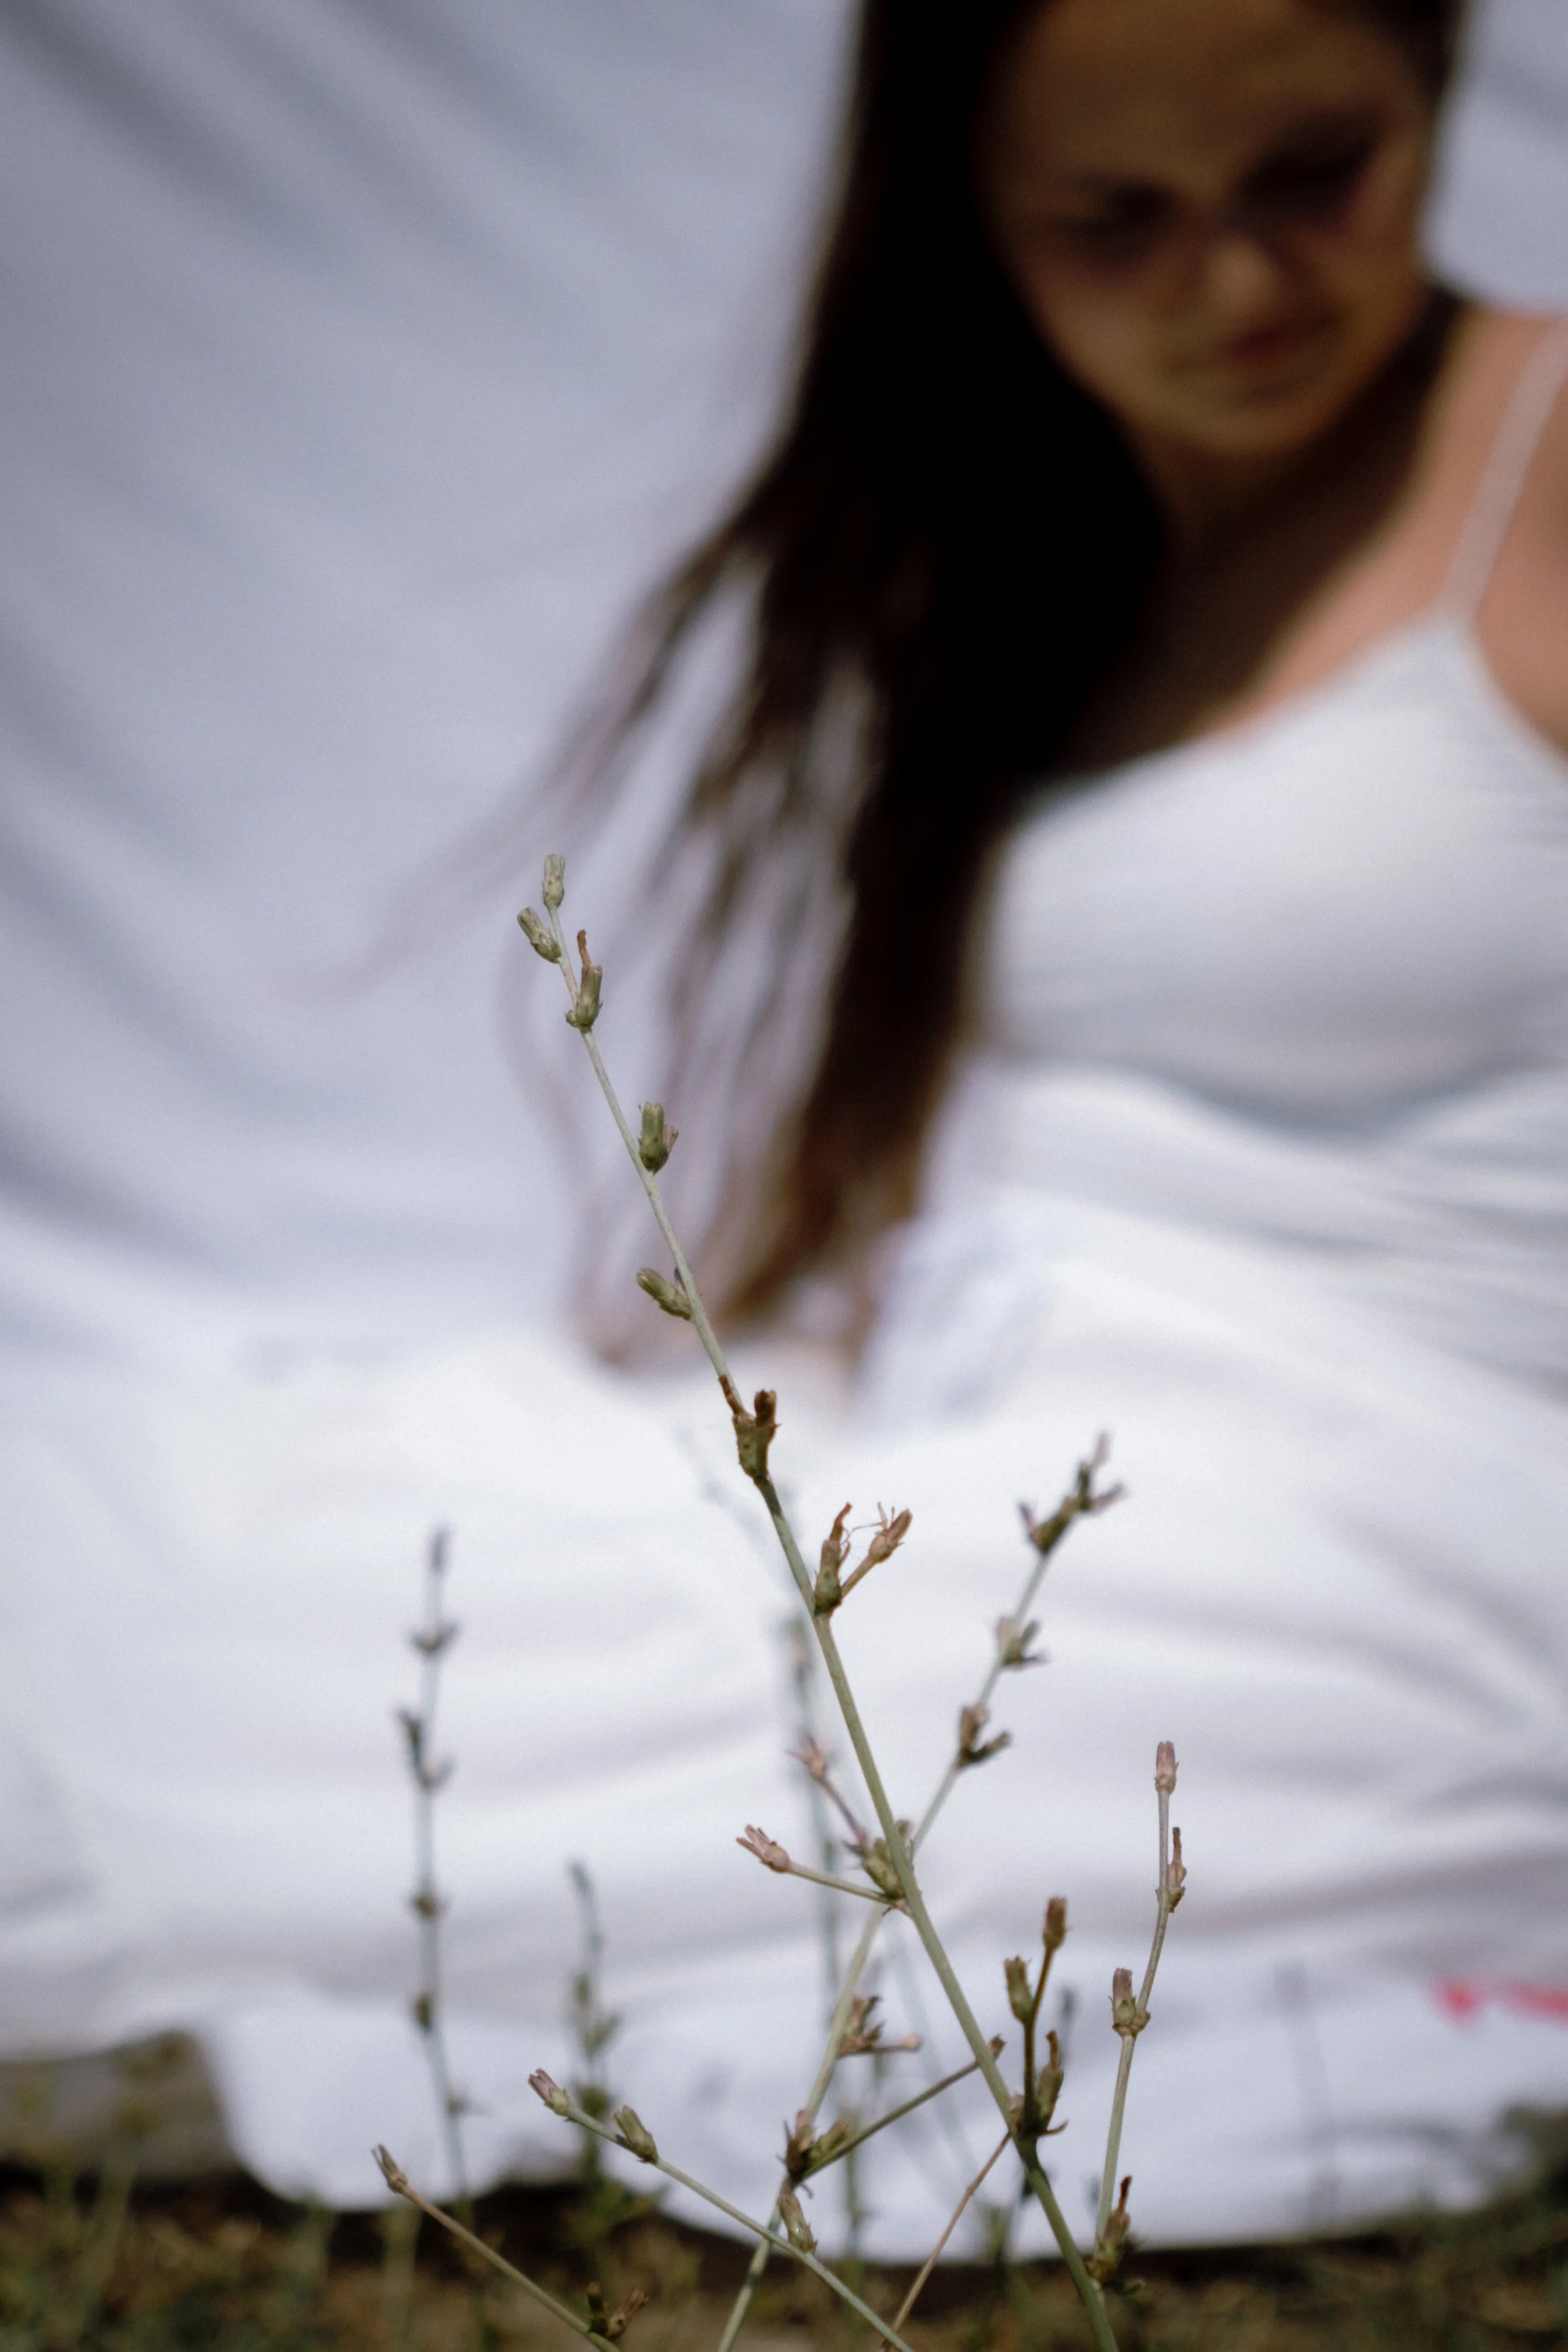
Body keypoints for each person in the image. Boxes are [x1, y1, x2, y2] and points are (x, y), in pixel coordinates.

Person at [3, 0, 1566, 2260]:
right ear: (972, 222)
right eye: (1111, 220)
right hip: (1022, 1458)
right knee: (277, 1518)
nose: (1235, 286)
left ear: (1434, 90)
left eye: (1312, 171)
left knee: (374, 1740)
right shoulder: (1092, 535)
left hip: (1400, 1559)